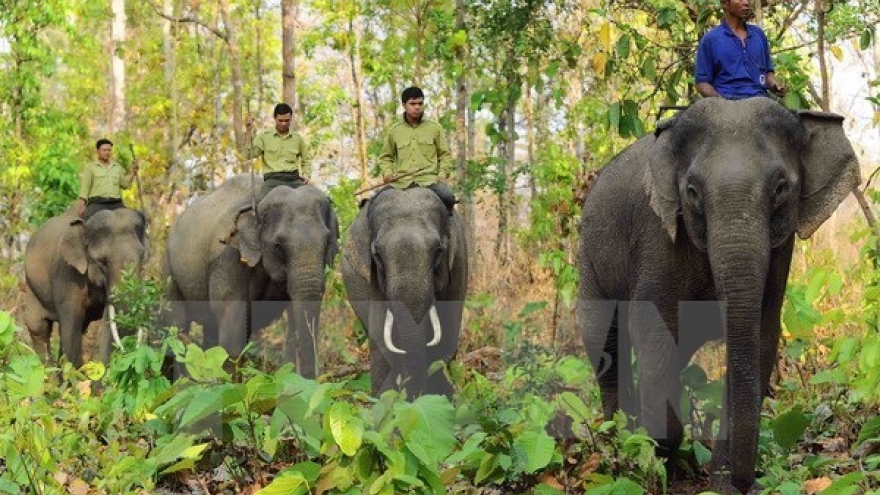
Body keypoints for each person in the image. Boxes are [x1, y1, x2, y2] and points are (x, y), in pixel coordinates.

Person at [374, 86, 456, 209]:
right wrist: (388, 173)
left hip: (429, 181)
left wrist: (442, 174)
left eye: (420, 103)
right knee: (374, 203)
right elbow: (386, 157)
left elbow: (445, 155)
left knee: (448, 198)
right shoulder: (394, 131)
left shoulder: (435, 128)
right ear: (404, 105)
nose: (417, 107)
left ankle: (450, 227)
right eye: (412, 104)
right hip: (401, 183)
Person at [695, 0, 786, 100]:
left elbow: (768, 72)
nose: (746, 3)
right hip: (727, 100)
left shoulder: (758, 35)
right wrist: (721, 103)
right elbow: (702, 83)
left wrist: (774, 84)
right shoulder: (710, 39)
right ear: (725, 3)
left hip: (760, 100)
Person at [245, 102, 312, 202]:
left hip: (294, 180)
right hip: (272, 181)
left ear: (291, 119)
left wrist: (306, 175)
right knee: (260, 205)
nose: (283, 124)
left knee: (317, 201)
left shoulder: (298, 139)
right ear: (274, 118)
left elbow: (306, 160)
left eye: (287, 121)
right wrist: (248, 132)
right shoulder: (264, 137)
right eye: (280, 120)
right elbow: (249, 155)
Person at [77, 138, 139, 220]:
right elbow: (85, 187)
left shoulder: (117, 167)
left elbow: (124, 184)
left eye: (109, 150)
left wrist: (133, 172)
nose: (107, 152)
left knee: (131, 220)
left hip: (116, 203)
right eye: (104, 150)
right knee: (87, 222)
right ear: (98, 151)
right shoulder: (90, 167)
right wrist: (82, 205)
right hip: (97, 203)